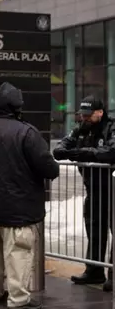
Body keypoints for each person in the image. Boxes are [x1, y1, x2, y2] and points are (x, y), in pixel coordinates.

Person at [0, 82, 59, 309]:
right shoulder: (27, 133)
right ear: (17, 107)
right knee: (18, 254)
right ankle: (18, 299)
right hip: (18, 210)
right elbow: (49, 169)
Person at [53, 95, 115, 292]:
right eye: (83, 115)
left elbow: (112, 152)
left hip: (113, 188)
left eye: (89, 115)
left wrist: (86, 153)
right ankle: (94, 270)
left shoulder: (111, 127)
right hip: (94, 189)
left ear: (100, 112)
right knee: (94, 229)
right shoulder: (81, 128)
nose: (85, 119)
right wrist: (68, 152)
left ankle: (113, 275)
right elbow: (60, 149)